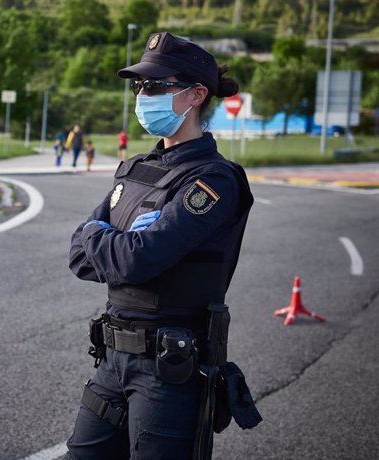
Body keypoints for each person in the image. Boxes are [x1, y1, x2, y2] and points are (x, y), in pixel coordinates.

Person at [65, 32, 256, 459]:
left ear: (195, 95)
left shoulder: (213, 179)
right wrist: (115, 241)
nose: (142, 95)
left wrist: (109, 238)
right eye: (139, 86)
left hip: (167, 370)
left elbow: (139, 258)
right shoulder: (136, 169)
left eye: (155, 86)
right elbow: (78, 253)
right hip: (110, 358)